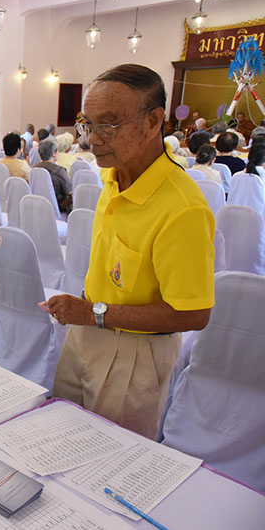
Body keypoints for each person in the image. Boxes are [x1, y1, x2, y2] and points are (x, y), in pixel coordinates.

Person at [43, 64, 214, 440]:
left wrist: (93, 313)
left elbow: (194, 313)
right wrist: (89, 314)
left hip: (135, 352)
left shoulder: (182, 207)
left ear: (153, 121)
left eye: (108, 125)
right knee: (63, 435)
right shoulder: (113, 175)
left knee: (111, 454)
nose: (93, 140)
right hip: (88, 329)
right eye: (88, 125)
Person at [36, 139, 72, 214]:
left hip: (39, 207)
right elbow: (70, 192)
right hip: (57, 209)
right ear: (54, 153)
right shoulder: (59, 171)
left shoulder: (34, 168)